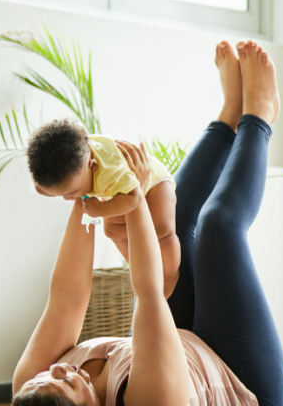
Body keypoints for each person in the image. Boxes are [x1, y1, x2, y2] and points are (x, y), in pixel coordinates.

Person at [0, 40, 283, 406]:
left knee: (177, 228)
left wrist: (85, 189)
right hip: (244, 382)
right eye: (63, 382)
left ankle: (228, 113)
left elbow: (68, 296)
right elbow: (148, 292)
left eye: (38, 381)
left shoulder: (33, 394)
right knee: (219, 227)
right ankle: (259, 116)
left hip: (180, 341)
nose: (51, 371)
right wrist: (134, 195)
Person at [27, 121, 181, 298]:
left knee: (161, 231)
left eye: (72, 193)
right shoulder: (74, 159)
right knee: (112, 230)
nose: (67, 199)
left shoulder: (109, 172)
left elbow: (134, 197)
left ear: (92, 166)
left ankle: (170, 273)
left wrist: (100, 208)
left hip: (153, 183)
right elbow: (40, 187)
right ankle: (141, 268)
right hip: (119, 190)